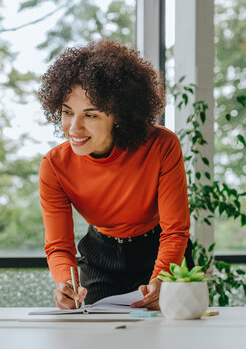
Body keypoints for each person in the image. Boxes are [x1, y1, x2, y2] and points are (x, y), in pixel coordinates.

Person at [37, 39, 193, 310]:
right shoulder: (54, 166)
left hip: (161, 250)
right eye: (67, 112)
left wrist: (161, 278)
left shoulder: (162, 145)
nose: (74, 127)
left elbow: (175, 229)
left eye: (91, 115)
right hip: (100, 258)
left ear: (118, 115)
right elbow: (59, 246)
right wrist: (66, 283)